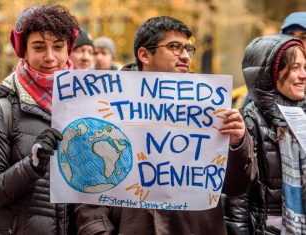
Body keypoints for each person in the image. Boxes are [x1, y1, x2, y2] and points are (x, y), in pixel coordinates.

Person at [75, 16, 258, 235]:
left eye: (189, 49)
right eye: (174, 47)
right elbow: (88, 187)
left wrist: (237, 143)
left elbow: (235, 186)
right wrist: (99, 231)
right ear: (144, 55)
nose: (184, 56)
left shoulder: (208, 105)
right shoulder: (108, 104)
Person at [0, 5, 79, 234]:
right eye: (38, 47)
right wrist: (32, 165)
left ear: (68, 51)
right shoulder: (0, 113)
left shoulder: (89, 108)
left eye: (58, 47)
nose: (50, 57)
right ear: (23, 51)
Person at [223, 34, 306, 234]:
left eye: (305, 67)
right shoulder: (248, 123)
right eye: (295, 68)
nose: (303, 75)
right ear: (270, 73)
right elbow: (236, 205)